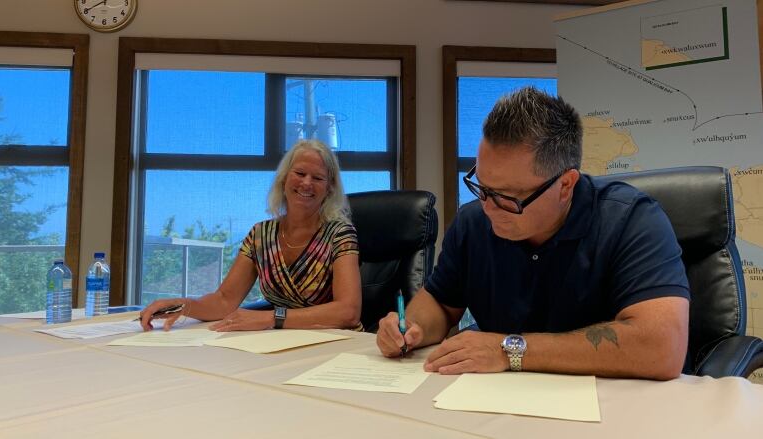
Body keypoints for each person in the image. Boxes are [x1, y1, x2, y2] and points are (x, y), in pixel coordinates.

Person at [377, 87, 690, 380]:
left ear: (566, 185)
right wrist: (410, 327)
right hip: (496, 402)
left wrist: (509, 350)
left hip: (610, 408)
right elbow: (441, 304)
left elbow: (663, 347)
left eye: (508, 196)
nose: (488, 207)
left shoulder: (632, 220)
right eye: (481, 187)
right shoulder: (473, 222)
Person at [140, 140, 362, 332]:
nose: (306, 183)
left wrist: (270, 318)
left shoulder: (339, 233)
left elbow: (348, 311)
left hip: (334, 343)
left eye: (318, 178)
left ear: (330, 188)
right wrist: (182, 305)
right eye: (300, 173)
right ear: (284, 179)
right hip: (282, 343)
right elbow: (225, 300)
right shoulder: (260, 235)